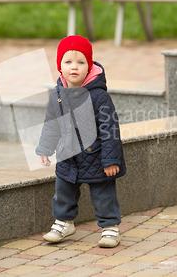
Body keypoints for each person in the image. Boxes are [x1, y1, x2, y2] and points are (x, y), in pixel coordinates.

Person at [36, 35, 126, 248]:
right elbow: (51, 124)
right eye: (68, 62)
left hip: (96, 156)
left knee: (103, 195)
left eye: (80, 62)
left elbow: (110, 129)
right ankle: (63, 222)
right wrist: (45, 149)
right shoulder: (57, 94)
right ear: (60, 66)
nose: (73, 67)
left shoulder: (99, 97)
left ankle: (110, 227)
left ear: (90, 66)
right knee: (63, 191)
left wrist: (111, 159)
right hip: (68, 155)